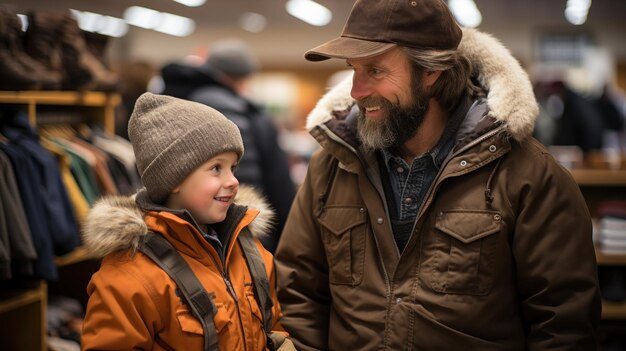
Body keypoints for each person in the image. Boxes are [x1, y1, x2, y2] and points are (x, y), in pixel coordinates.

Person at [274, 0, 601, 349]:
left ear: (431, 71)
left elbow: (564, 322)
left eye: (376, 71)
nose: (356, 90)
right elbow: (299, 295)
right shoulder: (333, 164)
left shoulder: (526, 174)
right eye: (354, 69)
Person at [80, 93, 295, 350]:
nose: (233, 181)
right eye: (216, 168)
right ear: (173, 180)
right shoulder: (130, 276)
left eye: (233, 168)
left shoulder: (249, 251)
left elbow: (274, 325)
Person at [160, 39, 296, 253]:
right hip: (243, 227)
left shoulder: (179, 103)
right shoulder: (251, 115)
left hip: (183, 231)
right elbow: (278, 184)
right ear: (240, 78)